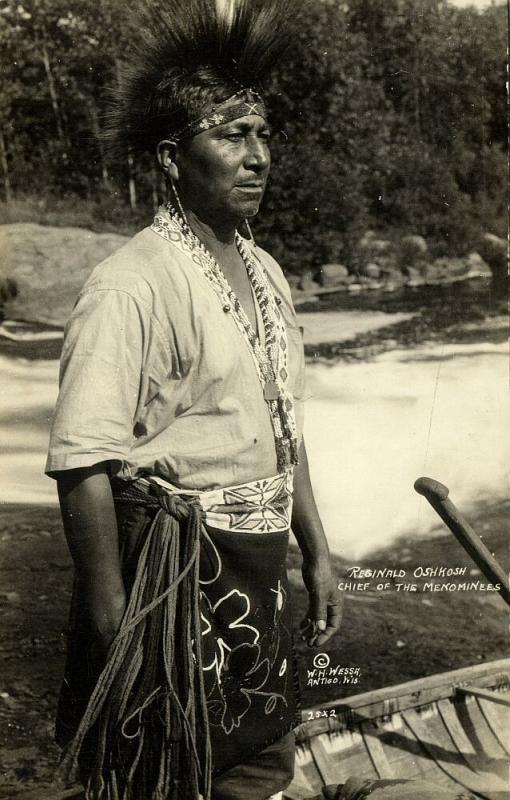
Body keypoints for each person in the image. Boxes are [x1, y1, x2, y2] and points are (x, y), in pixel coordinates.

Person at [45, 1, 342, 798]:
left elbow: (285, 426)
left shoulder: (267, 272)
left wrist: (316, 550)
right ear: (174, 159)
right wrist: (115, 623)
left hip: (259, 568)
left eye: (265, 135)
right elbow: (82, 461)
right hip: (169, 582)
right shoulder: (130, 285)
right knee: (161, 768)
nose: (258, 157)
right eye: (232, 135)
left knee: (260, 762)